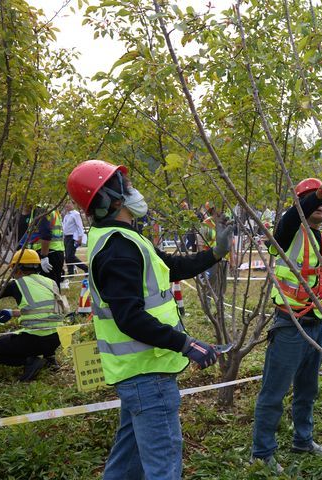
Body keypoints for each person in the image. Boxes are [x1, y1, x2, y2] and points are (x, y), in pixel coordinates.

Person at [66, 160, 234, 480]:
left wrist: (214, 254)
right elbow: (129, 318)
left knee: (127, 463)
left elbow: (169, 267)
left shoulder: (125, 238)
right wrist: (185, 343)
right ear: (111, 199)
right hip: (147, 374)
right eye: (125, 185)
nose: (132, 190)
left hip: (141, 374)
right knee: (163, 467)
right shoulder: (118, 247)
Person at [251, 177, 322, 473]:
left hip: (315, 325)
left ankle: (303, 440)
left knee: (307, 389)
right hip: (289, 326)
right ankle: (262, 452)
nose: (320, 206)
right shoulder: (288, 231)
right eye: (313, 201)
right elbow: (292, 217)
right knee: (274, 392)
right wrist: (316, 195)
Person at [0, 249, 64, 381]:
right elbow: (43, 310)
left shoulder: (16, 284)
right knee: (42, 333)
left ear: (18, 268)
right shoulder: (50, 282)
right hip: (56, 339)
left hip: (33, 341)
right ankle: (50, 358)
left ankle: (29, 361)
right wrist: (12, 312)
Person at [21, 205, 66, 289]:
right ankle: (57, 301)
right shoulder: (51, 207)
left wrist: (44, 257)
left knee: (48, 288)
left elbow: (46, 234)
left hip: (48, 254)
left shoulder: (40, 209)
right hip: (56, 251)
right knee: (54, 286)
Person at [62, 202, 88, 276]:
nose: (67, 205)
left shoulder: (76, 214)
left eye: (69, 203)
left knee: (70, 256)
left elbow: (80, 226)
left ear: (73, 205)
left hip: (73, 237)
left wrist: (80, 237)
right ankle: (71, 272)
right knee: (67, 256)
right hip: (66, 237)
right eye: (66, 203)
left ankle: (86, 268)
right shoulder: (66, 215)